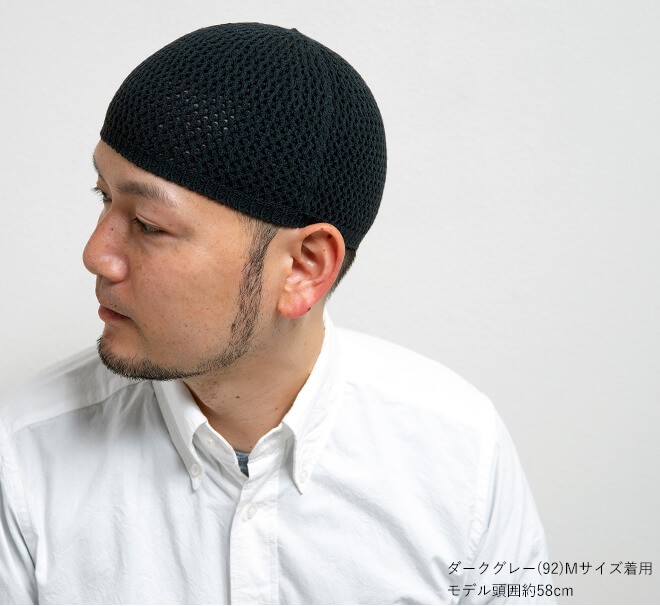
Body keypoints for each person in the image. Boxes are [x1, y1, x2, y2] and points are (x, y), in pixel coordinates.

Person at [0, 23, 552, 604]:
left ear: (304, 267)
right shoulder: (23, 457)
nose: (96, 254)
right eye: (104, 197)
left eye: (147, 224)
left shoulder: (462, 454)